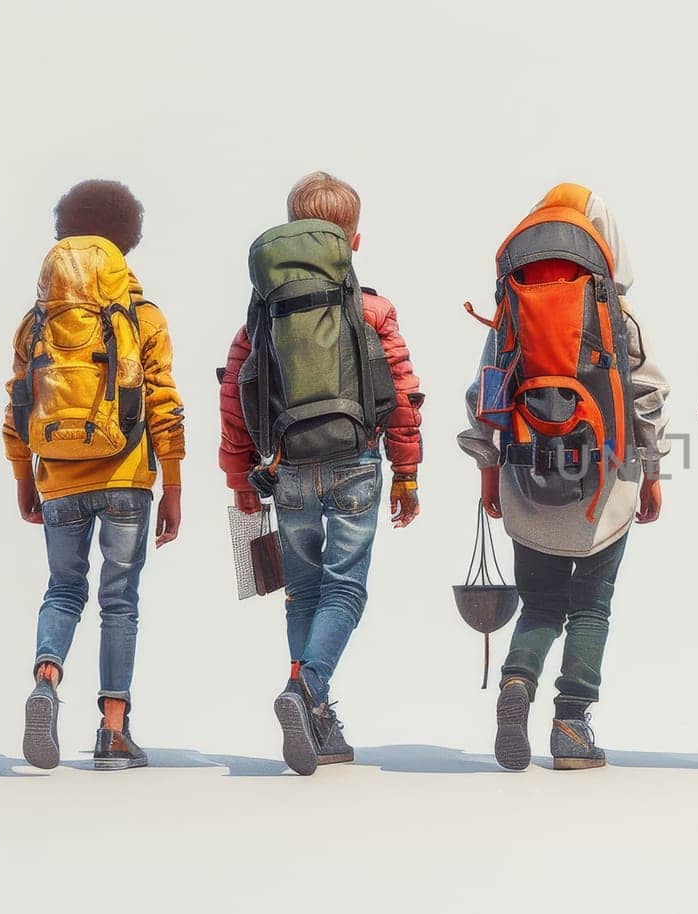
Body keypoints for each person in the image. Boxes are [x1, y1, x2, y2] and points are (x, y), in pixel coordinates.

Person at [219, 171, 424, 775]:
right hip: (355, 461)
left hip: (284, 466)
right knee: (346, 589)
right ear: (353, 241)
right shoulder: (373, 309)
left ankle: (318, 718)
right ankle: (306, 690)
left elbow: (235, 393)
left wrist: (239, 478)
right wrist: (408, 472)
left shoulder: (263, 313)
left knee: (304, 592)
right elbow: (402, 394)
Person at [460, 183, 669, 772]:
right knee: (591, 607)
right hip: (606, 484)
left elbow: (487, 394)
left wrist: (488, 473)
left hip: (525, 477)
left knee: (539, 605)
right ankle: (572, 727)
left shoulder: (511, 312)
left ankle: (516, 684)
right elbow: (649, 397)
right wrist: (652, 474)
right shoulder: (615, 314)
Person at [8, 179, 186, 770]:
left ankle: (47, 679)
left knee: (63, 590)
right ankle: (113, 732)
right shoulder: (143, 315)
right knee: (119, 602)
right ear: (125, 241)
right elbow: (163, 401)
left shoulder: (35, 324)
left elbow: (17, 410)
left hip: (57, 477)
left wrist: (24, 481)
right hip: (127, 478)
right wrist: (175, 484)